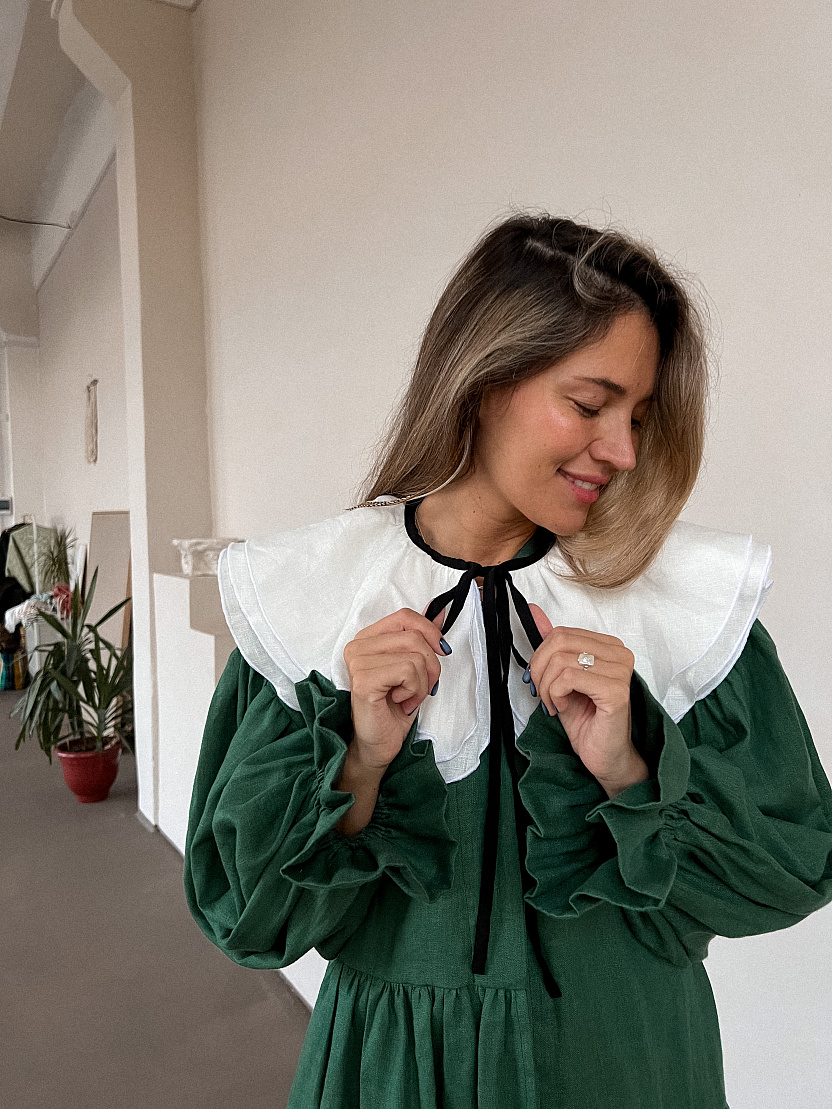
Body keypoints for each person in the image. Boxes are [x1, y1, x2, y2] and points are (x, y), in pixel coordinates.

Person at [183, 213, 832, 1109]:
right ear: (485, 379)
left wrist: (631, 766)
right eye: (591, 404)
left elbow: (788, 873)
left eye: (638, 417)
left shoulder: (685, 602)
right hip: (399, 1071)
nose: (624, 451)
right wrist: (361, 760)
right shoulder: (314, 594)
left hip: (625, 1064)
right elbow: (248, 915)